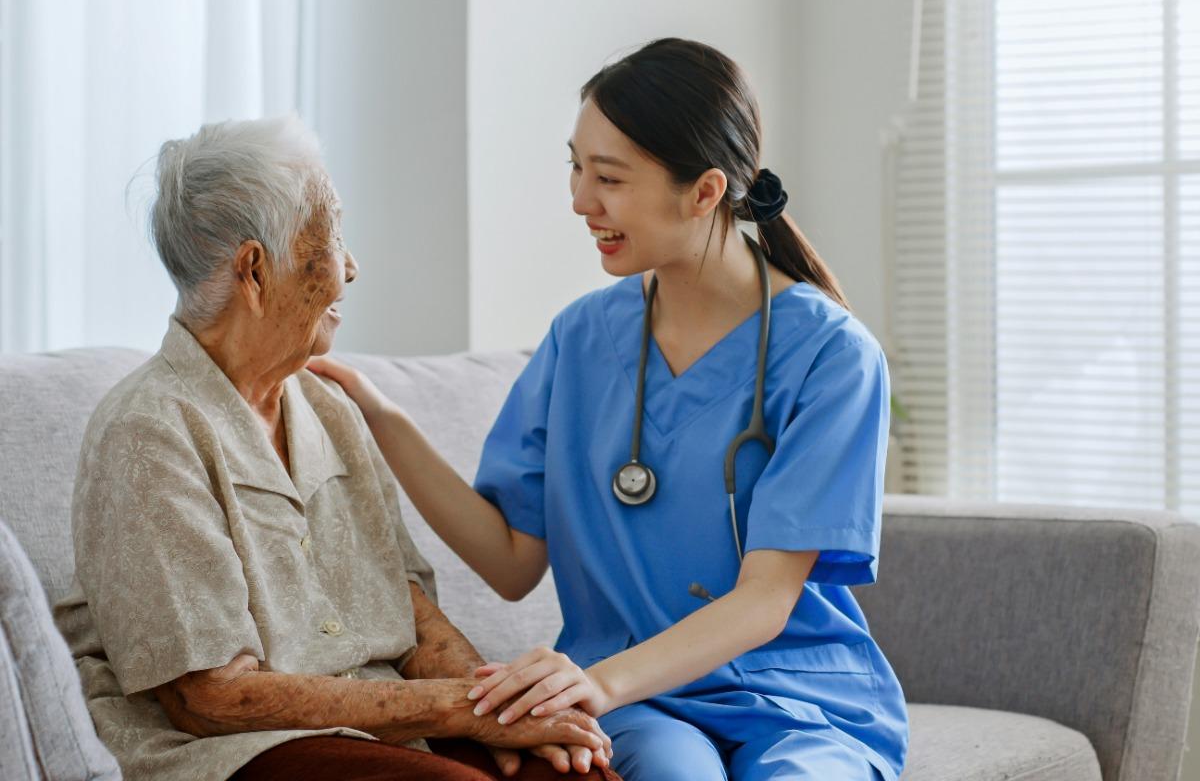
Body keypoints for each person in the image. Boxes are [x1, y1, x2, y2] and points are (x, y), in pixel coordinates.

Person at [311, 38, 908, 780]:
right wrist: (382, 420)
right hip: (641, 704)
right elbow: (510, 562)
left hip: (800, 702)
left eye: (610, 178)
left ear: (706, 191)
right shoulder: (583, 337)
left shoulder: (832, 356)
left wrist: (598, 681)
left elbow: (765, 600)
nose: (580, 200)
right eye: (576, 167)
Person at [52, 116, 616, 781]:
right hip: (239, 748)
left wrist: (504, 706)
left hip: (383, 728)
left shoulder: (326, 407)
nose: (352, 266)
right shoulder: (148, 432)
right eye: (332, 234)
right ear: (255, 270)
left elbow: (406, 604)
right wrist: (456, 709)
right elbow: (210, 699)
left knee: (573, 774)